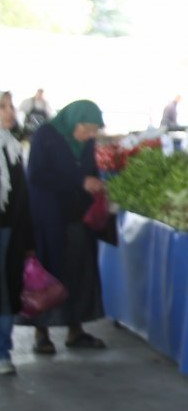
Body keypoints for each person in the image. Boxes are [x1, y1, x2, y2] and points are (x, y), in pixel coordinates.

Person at [22, 100, 108, 353]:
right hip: (48, 217)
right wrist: (80, 180)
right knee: (47, 274)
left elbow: (90, 169)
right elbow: (37, 175)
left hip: (78, 217)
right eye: (88, 130)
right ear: (75, 122)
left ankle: (75, 329)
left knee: (78, 271)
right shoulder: (45, 136)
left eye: (94, 131)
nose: (91, 136)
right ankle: (41, 333)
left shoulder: (87, 141)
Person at [0, 91, 34, 375]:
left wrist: (28, 239)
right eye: (3, 107)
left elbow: (21, 199)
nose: (10, 112)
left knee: (8, 289)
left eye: (10, 106)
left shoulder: (12, 148)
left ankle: (3, 352)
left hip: (11, 232)